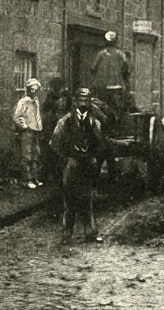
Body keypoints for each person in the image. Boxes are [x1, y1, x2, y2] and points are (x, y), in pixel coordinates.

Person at [50, 88, 104, 242]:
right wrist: (66, 158)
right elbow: (54, 143)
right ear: (75, 102)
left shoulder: (95, 122)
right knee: (69, 199)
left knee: (87, 198)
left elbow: (100, 143)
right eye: (80, 100)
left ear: (90, 102)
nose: (83, 104)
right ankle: (67, 234)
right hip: (71, 165)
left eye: (86, 101)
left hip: (87, 164)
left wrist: (94, 157)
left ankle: (90, 232)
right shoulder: (65, 121)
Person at [13, 78, 43, 189]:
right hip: (27, 132)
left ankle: (34, 178)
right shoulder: (23, 102)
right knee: (26, 156)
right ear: (28, 90)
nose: (34, 92)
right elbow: (16, 117)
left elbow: (37, 116)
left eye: (36, 89)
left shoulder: (36, 101)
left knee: (35, 155)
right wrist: (24, 127)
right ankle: (26, 179)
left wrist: (39, 127)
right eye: (32, 89)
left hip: (35, 131)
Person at [91, 31, 130, 99]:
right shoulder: (120, 53)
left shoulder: (101, 53)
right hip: (118, 85)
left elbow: (93, 67)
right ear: (115, 42)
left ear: (106, 41)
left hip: (103, 85)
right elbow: (126, 63)